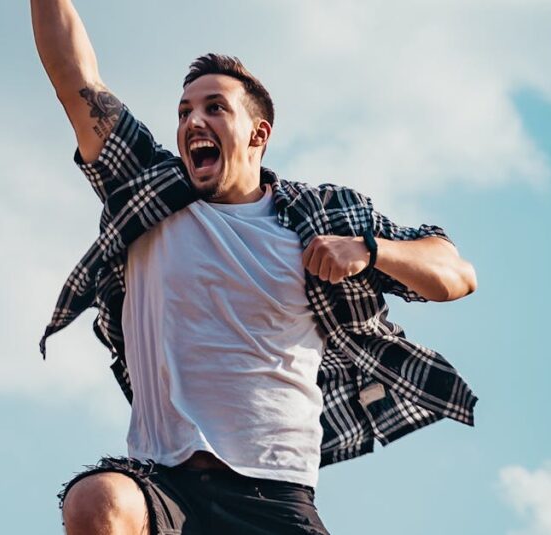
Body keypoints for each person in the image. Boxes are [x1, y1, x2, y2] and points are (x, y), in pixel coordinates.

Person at [32, 1, 479, 533]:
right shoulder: (148, 189)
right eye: (183, 111)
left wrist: (370, 249)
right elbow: (72, 74)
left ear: (258, 134)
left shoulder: (320, 218)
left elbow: (455, 273)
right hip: (163, 485)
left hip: (275, 494)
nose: (193, 121)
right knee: (98, 503)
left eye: (215, 107)